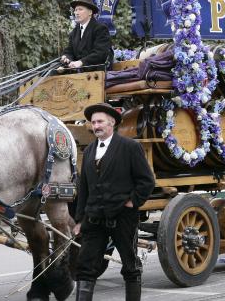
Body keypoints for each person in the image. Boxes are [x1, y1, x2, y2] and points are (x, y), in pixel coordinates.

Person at [73, 103, 155, 301]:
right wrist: (79, 219)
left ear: (111, 123)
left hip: (123, 217)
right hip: (94, 219)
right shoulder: (90, 150)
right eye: (93, 122)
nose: (96, 126)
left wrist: (131, 201)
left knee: (130, 265)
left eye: (100, 121)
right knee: (85, 266)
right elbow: (84, 188)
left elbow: (147, 181)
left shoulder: (130, 147)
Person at [60, 0, 113, 71]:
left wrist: (81, 62)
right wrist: (66, 57)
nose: (76, 13)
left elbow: (100, 53)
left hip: (96, 73)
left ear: (90, 12)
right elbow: (69, 51)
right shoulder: (74, 32)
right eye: (75, 10)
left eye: (80, 9)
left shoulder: (100, 29)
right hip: (77, 73)